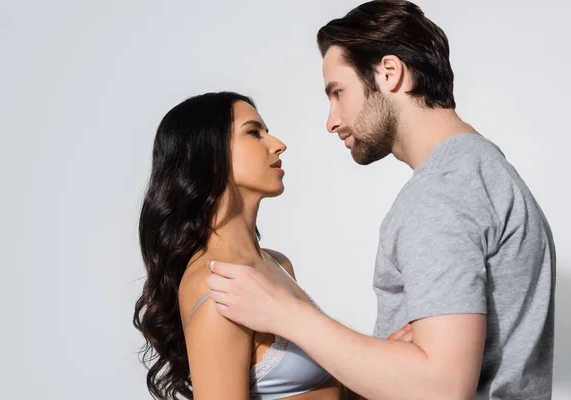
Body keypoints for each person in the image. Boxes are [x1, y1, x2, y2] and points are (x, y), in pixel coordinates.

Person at [205, 1, 556, 399]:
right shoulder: (486, 170)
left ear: (390, 73)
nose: (332, 120)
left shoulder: (440, 193)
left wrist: (285, 313)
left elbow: (440, 389)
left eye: (338, 92)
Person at [133, 91, 411, 400]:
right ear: (210, 157)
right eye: (254, 133)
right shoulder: (218, 287)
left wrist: (383, 360)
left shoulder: (277, 264)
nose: (278, 144)